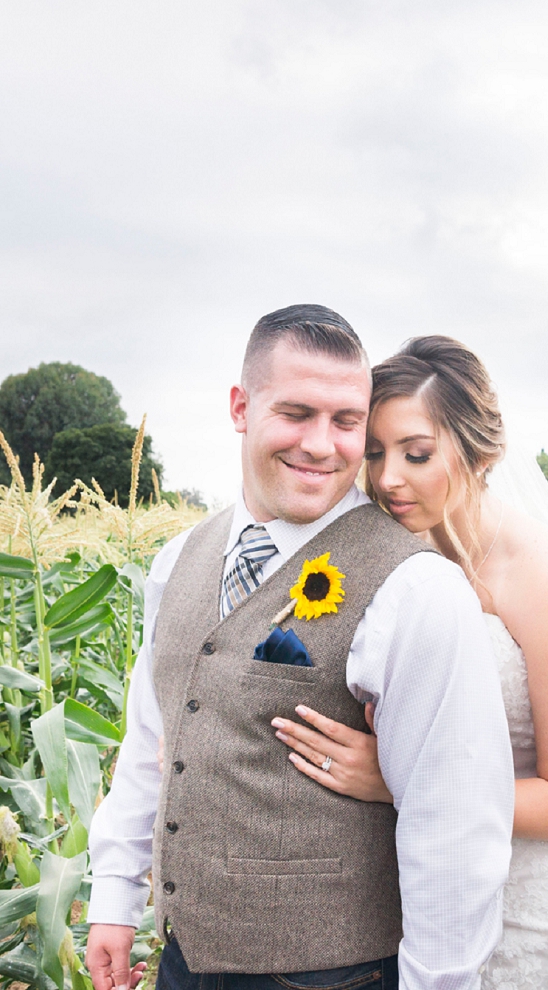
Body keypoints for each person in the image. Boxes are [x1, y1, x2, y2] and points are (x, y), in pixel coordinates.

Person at [85, 307, 515, 990]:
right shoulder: (177, 561)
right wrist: (113, 896)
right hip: (181, 959)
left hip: (331, 973)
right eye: (297, 413)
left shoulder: (417, 588)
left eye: (347, 422)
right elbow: (152, 740)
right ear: (240, 407)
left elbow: (454, 823)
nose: (323, 444)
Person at [270, 335, 548, 990]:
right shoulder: (380, 558)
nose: (388, 480)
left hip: (525, 911)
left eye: (417, 454)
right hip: (411, 898)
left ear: (482, 453)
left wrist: (402, 780)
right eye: (377, 454)